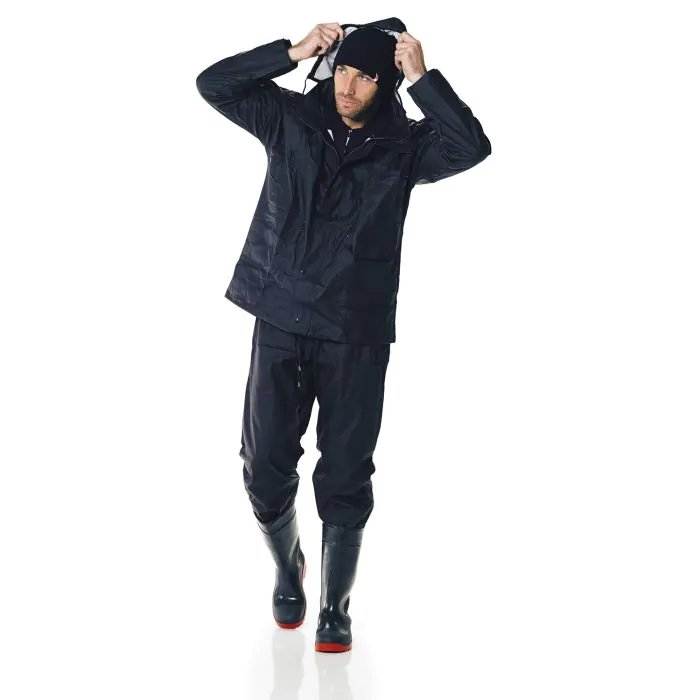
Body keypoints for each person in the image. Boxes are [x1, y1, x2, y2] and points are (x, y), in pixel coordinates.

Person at [195, 17, 491, 653]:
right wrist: (292, 51)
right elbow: (213, 84)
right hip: (280, 314)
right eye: (345, 71)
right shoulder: (290, 119)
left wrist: (423, 79)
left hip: (356, 331)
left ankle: (335, 604)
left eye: (367, 77)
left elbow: (472, 146)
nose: (349, 87)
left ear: (387, 84)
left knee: (347, 472)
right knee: (263, 466)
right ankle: (288, 566)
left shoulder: (405, 147)